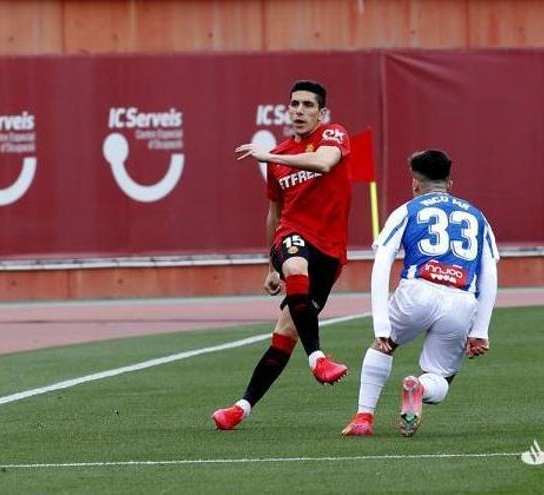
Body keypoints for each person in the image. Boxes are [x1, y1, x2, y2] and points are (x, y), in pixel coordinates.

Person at [211, 80, 353, 430]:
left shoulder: (333, 135)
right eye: (294, 104)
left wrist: (269, 155)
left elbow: (324, 163)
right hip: (292, 238)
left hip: (331, 251)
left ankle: (241, 408)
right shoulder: (281, 155)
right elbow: (274, 214)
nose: (299, 111)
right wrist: (269, 267)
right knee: (293, 263)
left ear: (322, 112)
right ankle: (318, 358)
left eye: (307, 105)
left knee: (286, 332)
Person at [341, 149, 499, 437]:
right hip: (461, 300)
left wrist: (381, 324)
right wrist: (481, 330)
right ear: (450, 184)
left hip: (417, 291)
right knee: (441, 377)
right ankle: (421, 387)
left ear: (415, 183)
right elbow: (490, 273)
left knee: (383, 347)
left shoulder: (407, 210)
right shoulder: (477, 216)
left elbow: (383, 262)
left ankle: (364, 418)